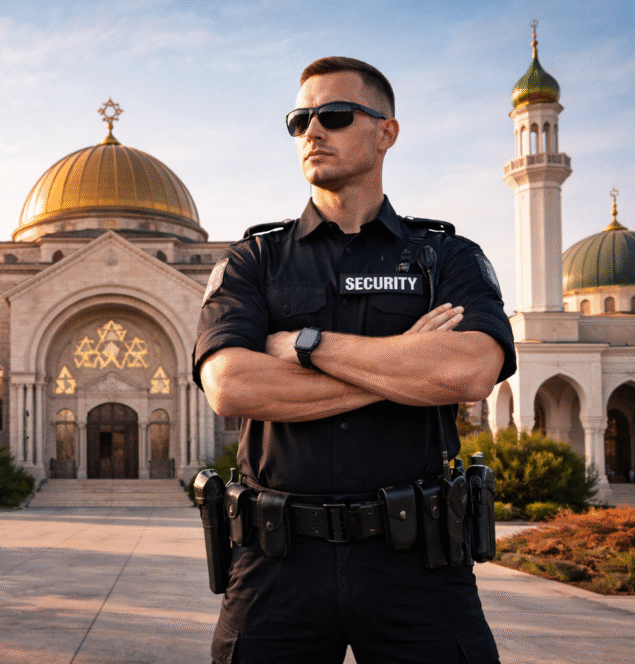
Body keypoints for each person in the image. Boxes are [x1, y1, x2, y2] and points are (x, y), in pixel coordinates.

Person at [193, 56, 516, 664]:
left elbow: (472, 371)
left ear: (386, 131)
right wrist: (409, 367)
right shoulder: (252, 262)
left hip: (418, 564)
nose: (313, 132)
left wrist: (306, 347)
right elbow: (231, 386)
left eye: (335, 115)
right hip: (276, 567)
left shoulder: (445, 257)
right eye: (299, 120)